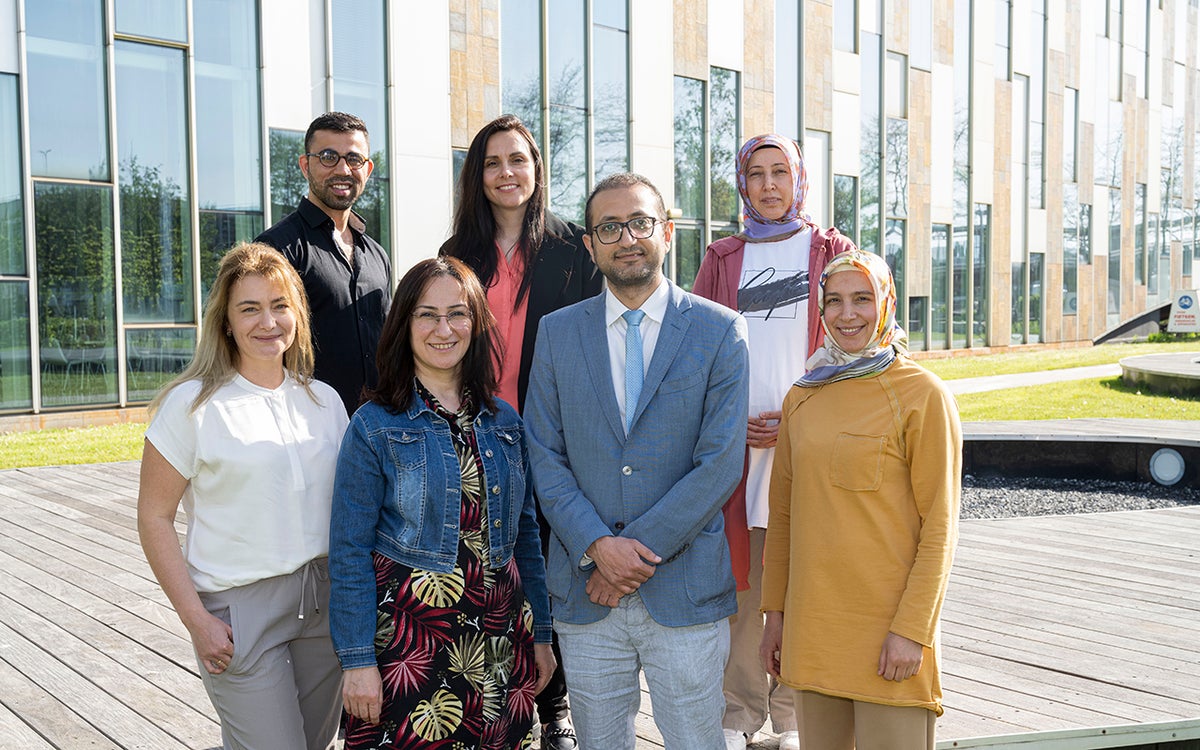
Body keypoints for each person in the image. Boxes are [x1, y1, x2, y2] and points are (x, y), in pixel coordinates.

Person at [525, 173, 750, 750]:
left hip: (685, 590)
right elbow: (544, 456)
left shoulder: (720, 331)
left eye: (640, 223)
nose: (626, 238)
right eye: (609, 227)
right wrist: (598, 548)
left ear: (667, 232)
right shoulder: (556, 333)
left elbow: (720, 464)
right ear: (590, 243)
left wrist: (629, 557)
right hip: (586, 594)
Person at [328, 256, 556, 749]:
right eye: (427, 314)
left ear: (475, 323)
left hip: (500, 638)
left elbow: (528, 540)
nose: (443, 328)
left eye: (457, 313)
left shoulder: (505, 423)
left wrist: (542, 632)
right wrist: (356, 660)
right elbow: (348, 553)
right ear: (404, 324)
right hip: (411, 643)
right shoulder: (373, 425)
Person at [137, 242, 348, 750]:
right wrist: (196, 621)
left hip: (324, 604)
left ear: (297, 313)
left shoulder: (325, 401)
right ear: (226, 321)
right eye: (249, 308)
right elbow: (154, 517)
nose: (267, 321)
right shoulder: (191, 405)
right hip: (238, 614)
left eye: (279, 305)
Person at [441, 113, 602, 749]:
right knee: (491, 567)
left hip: (557, 438)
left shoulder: (573, 249)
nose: (507, 174)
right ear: (477, 177)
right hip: (480, 438)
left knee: (552, 572)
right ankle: (490, 695)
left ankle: (554, 709)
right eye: (492, 163)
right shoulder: (457, 256)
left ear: (537, 170)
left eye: (518, 160)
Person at [759, 249, 961, 750]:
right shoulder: (803, 395)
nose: (847, 314)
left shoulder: (922, 394)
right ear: (820, 310)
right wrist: (775, 619)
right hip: (812, 636)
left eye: (862, 299)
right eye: (834, 301)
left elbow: (940, 526)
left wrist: (913, 631)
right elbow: (782, 518)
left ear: (886, 303)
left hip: (889, 640)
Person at [692, 133, 855, 750]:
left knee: (805, 587)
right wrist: (732, 422)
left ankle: (792, 718)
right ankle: (738, 714)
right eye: (755, 173)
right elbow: (699, 350)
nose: (767, 185)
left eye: (779, 172)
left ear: (800, 178)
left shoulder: (831, 250)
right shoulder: (722, 257)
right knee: (745, 586)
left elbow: (853, 344)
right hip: (739, 450)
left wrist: (799, 419)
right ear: (742, 183)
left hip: (807, 445)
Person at [256, 111, 391, 416]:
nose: (343, 169)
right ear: (306, 165)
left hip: (376, 431)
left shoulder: (377, 255)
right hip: (305, 429)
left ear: (367, 169)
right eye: (329, 157)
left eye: (354, 159)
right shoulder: (276, 249)